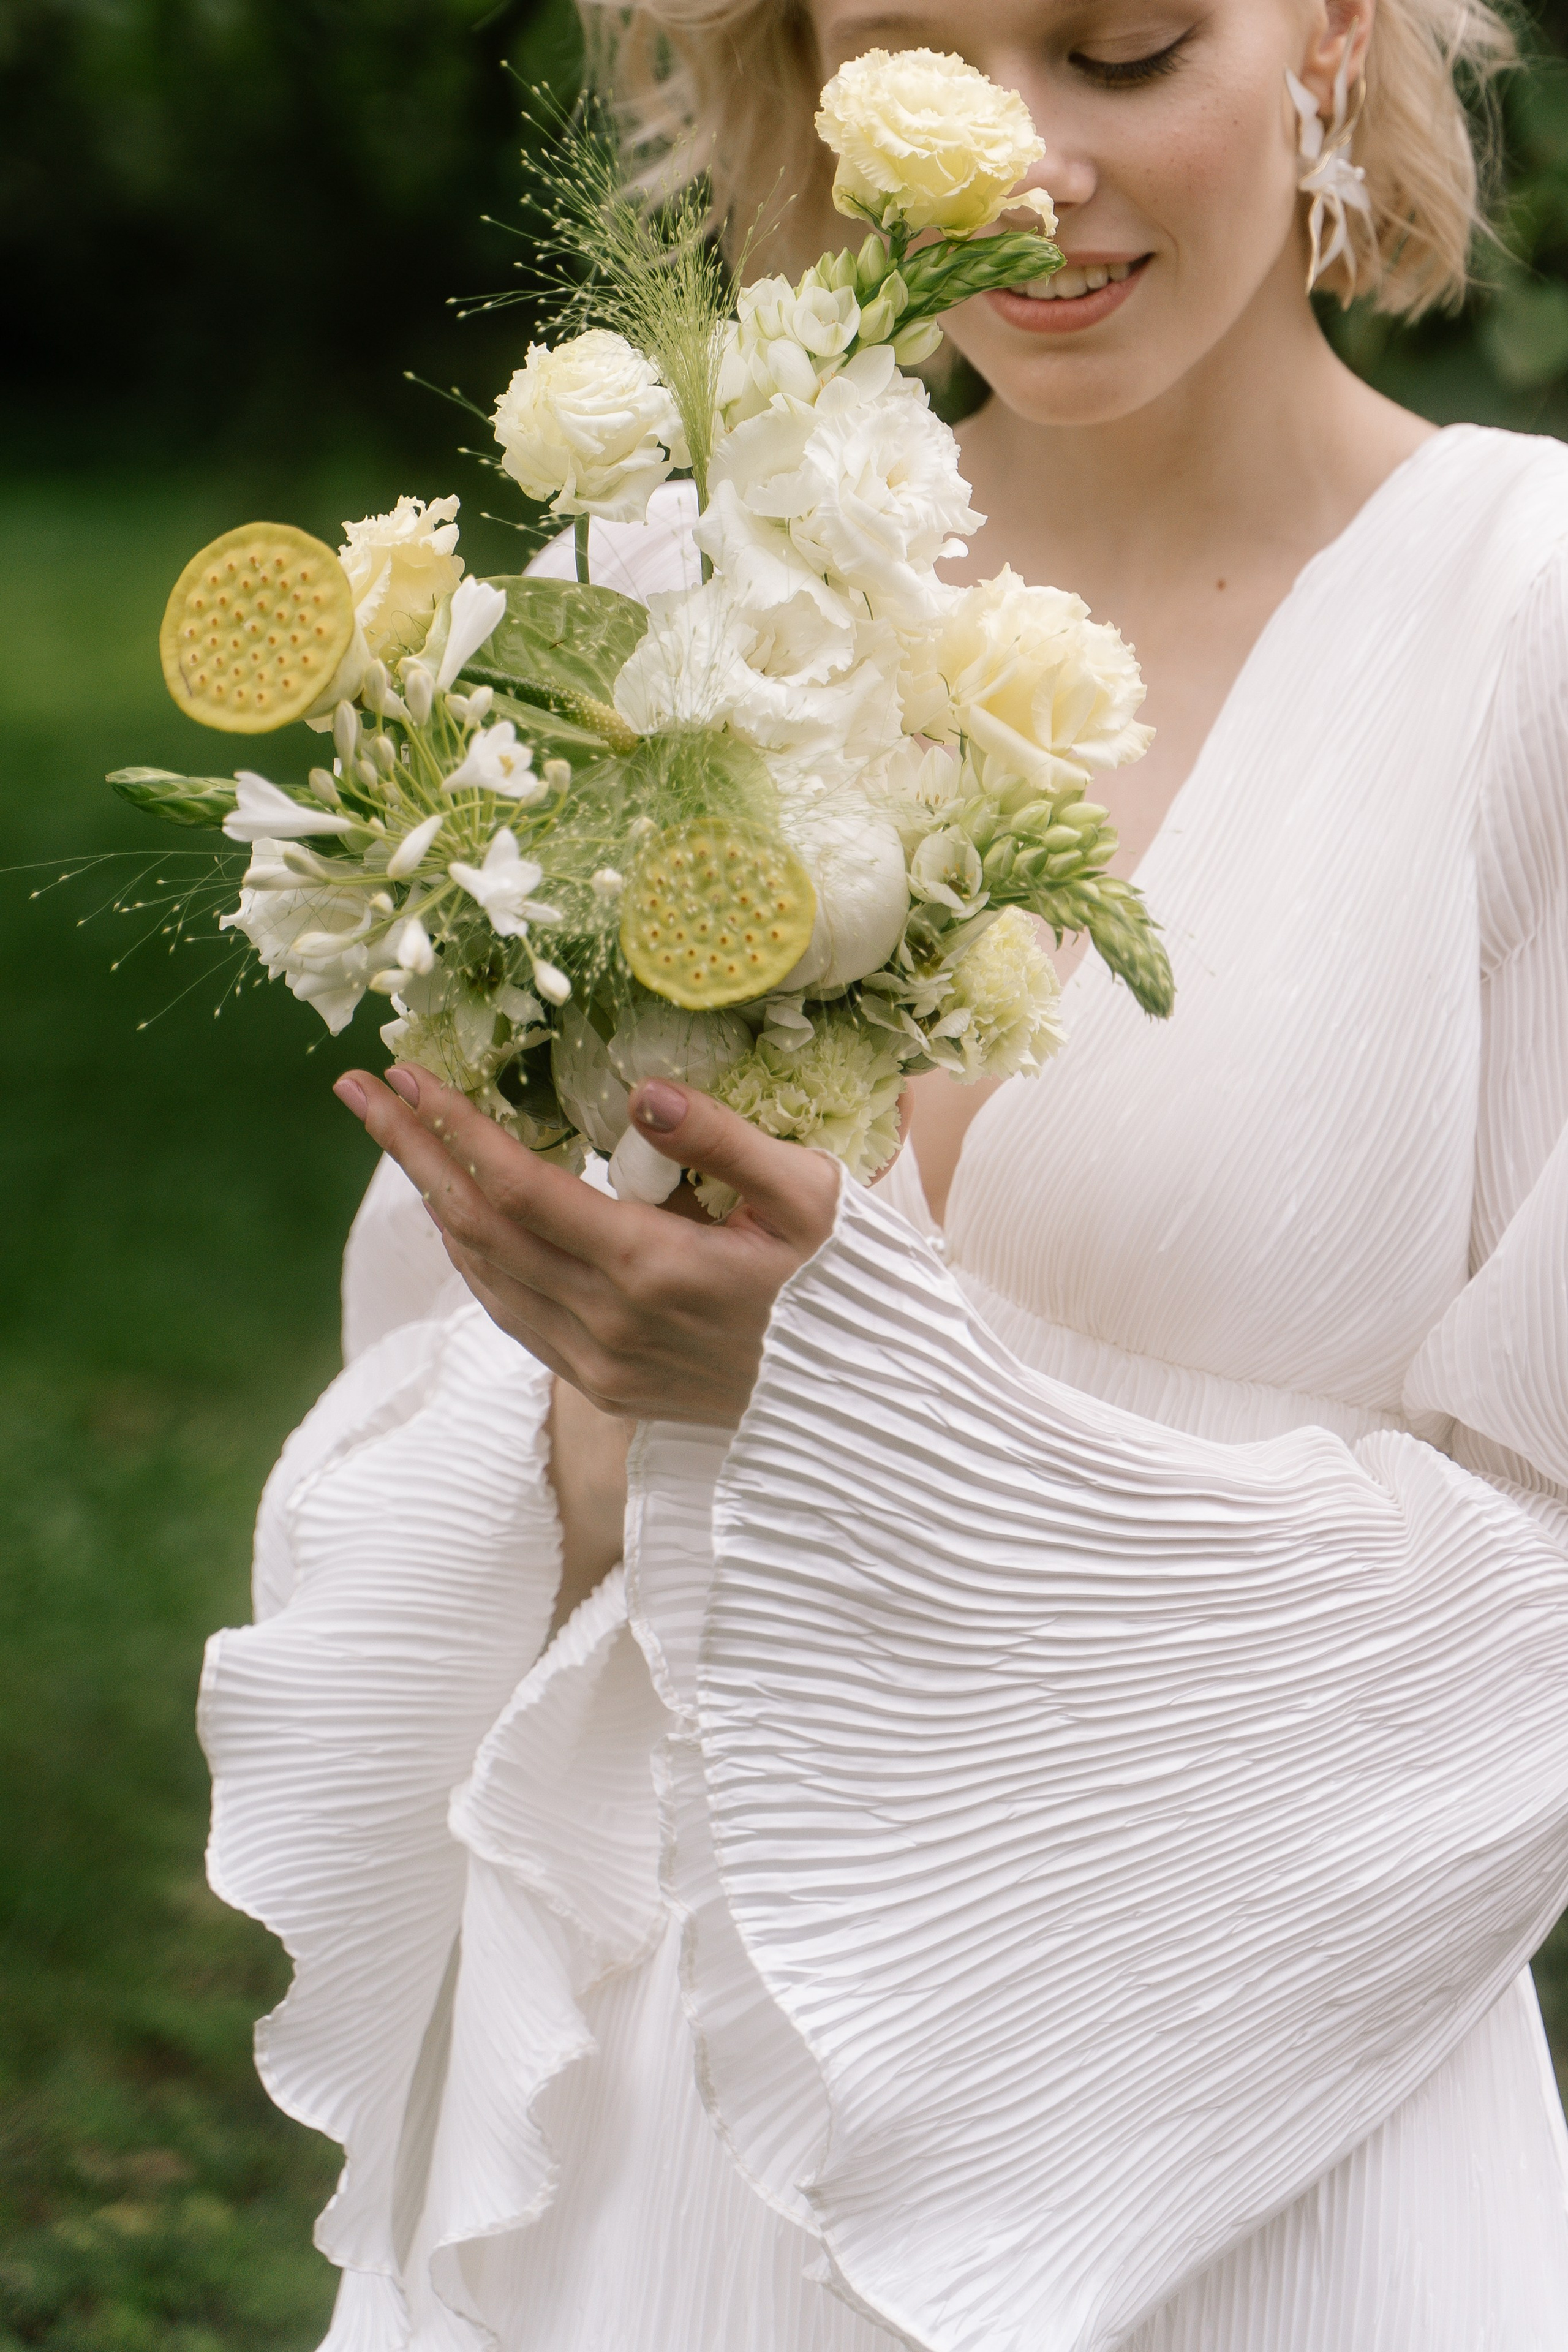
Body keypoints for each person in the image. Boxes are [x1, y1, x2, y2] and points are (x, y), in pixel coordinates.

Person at [200, 0, 1568, 2343]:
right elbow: (413, 1414)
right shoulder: (684, 584)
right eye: (916, 54)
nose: (1013, 167)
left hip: (1239, 2174)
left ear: (1334, 31)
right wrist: (585, 1403)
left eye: (1125, 49)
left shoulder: (1530, 626)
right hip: (643, 2143)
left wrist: (846, 1402)